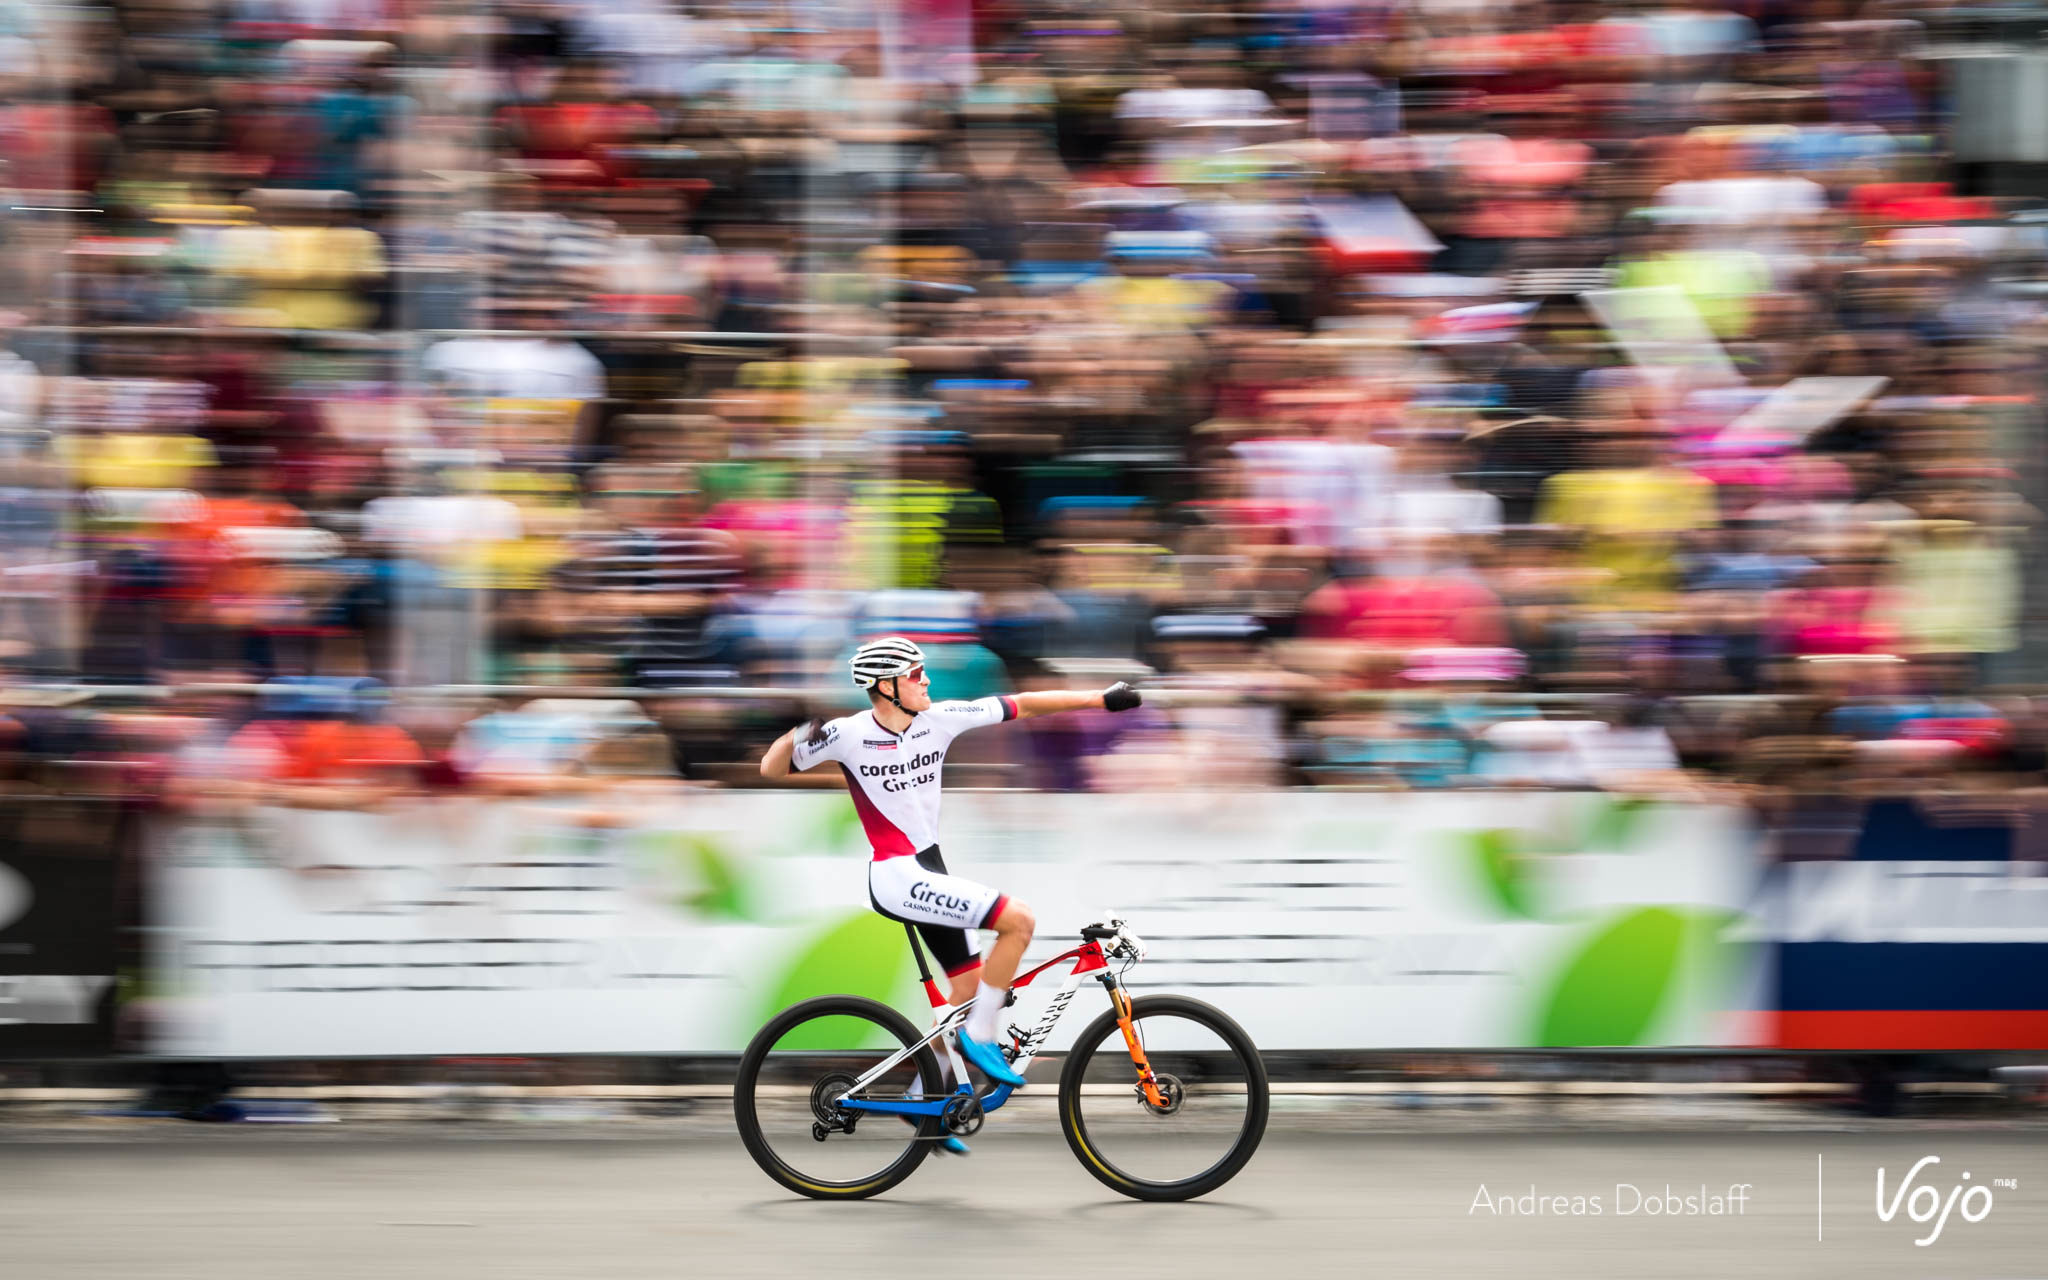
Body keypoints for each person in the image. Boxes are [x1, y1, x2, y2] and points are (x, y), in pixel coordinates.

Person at [758, 636, 1142, 1146]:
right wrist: (795, 734)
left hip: (929, 872)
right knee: (1018, 920)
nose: (928, 681)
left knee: (966, 994)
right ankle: (979, 1039)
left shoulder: (941, 718)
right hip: (896, 876)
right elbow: (772, 768)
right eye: (917, 675)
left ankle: (922, 1100)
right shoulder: (848, 735)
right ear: (886, 686)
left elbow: (1022, 705)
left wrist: (1099, 699)